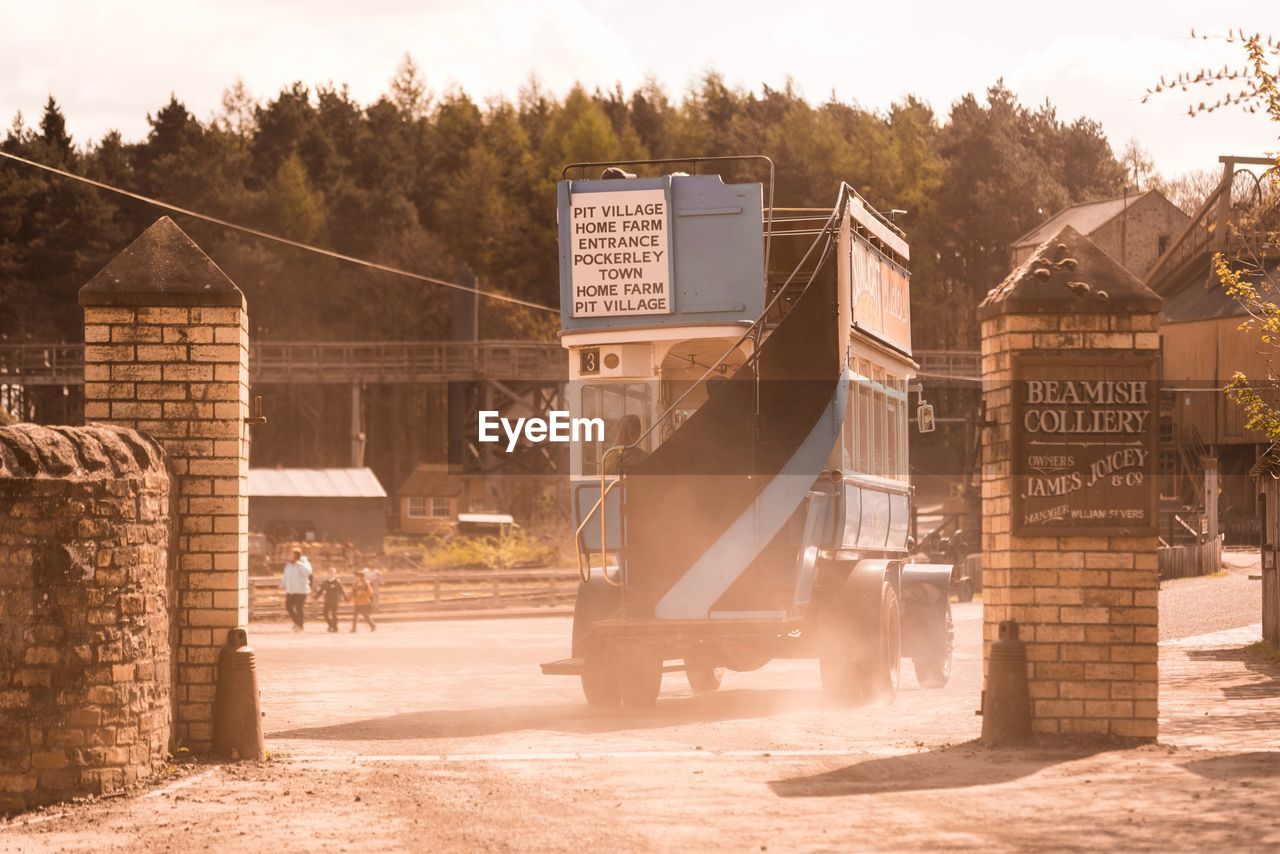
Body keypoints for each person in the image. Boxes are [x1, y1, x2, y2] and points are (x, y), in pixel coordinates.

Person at [281, 548, 313, 631]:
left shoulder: (304, 563)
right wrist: (283, 584)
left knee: (299, 608)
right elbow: (285, 575)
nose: (289, 556)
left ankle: (300, 626)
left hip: (301, 590)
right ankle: (297, 622)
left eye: (291, 554)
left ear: (296, 555)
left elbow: (308, 573)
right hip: (291, 590)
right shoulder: (288, 565)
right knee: (288, 606)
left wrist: (299, 564)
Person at [312, 568, 347, 633]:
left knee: (334, 614)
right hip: (327, 600)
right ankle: (331, 625)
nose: (331, 574)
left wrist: (345, 598)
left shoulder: (337, 582)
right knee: (324, 613)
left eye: (333, 572)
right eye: (330, 572)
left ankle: (335, 628)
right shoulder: (325, 582)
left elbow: (341, 591)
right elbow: (321, 590)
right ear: (328, 573)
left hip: (334, 600)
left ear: (335, 574)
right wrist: (315, 598)